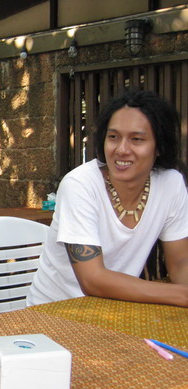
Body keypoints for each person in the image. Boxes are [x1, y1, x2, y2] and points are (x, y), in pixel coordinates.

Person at [27, 90, 188, 307]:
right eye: (113, 137)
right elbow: (92, 280)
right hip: (52, 312)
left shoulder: (171, 183)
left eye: (137, 139)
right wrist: (182, 295)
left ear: (159, 146)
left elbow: (180, 263)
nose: (121, 149)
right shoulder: (80, 185)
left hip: (118, 307)